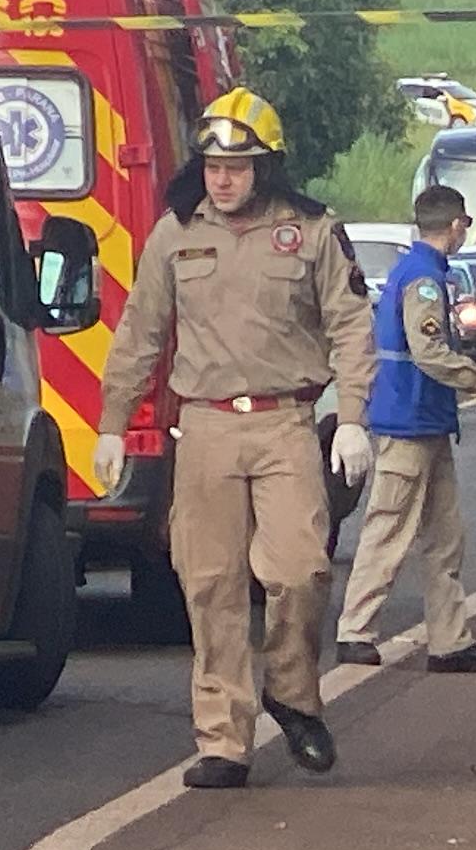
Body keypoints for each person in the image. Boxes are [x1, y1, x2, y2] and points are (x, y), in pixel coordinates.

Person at [95, 88, 374, 790]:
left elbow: (350, 325)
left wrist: (354, 417)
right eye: (213, 166)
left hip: (285, 423)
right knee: (210, 584)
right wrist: (112, 425)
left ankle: (293, 691)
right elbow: (140, 332)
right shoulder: (175, 233)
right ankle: (224, 739)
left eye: (238, 167)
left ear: (266, 167)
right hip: (207, 426)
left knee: (301, 570)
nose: (222, 179)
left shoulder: (311, 231)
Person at [334, 184, 476, 672]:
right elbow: (430, 354)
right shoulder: (423, 280)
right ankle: (355, 630)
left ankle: (450, 640)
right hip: (409, 420)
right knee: (389, 529)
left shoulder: (417, 270)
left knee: (446, 538)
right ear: (457, 224)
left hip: (427, 420)